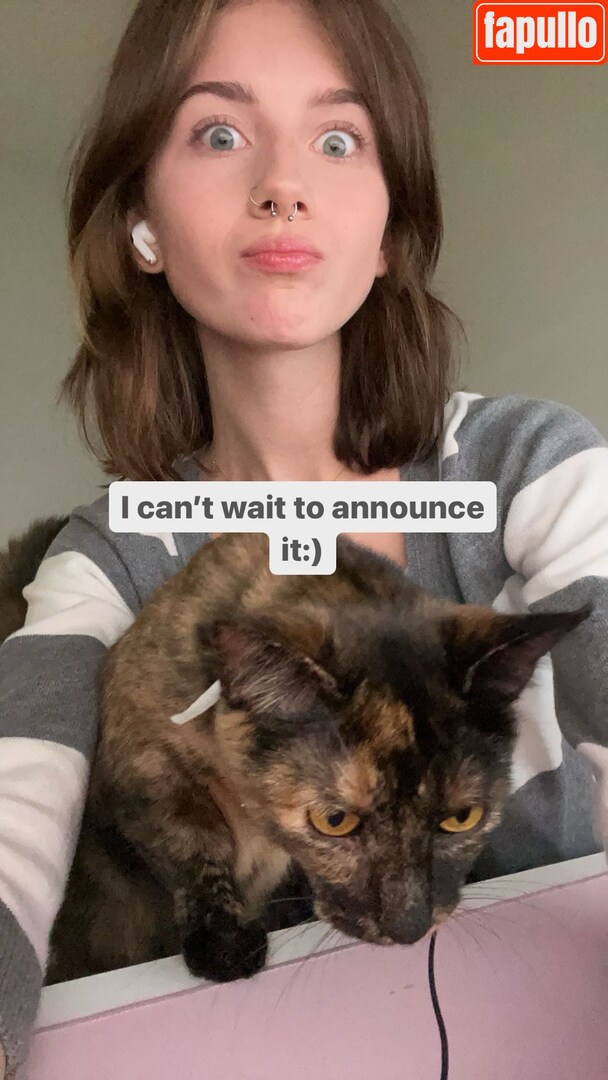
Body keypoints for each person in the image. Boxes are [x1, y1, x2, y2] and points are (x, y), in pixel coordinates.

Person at [1, 0, 607, 1075]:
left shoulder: (524, 466)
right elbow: (16, 809)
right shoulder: (114, 553)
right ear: (142, 224)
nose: (284, 184)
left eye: (338, 138)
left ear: (388, 229)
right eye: (219, 132)